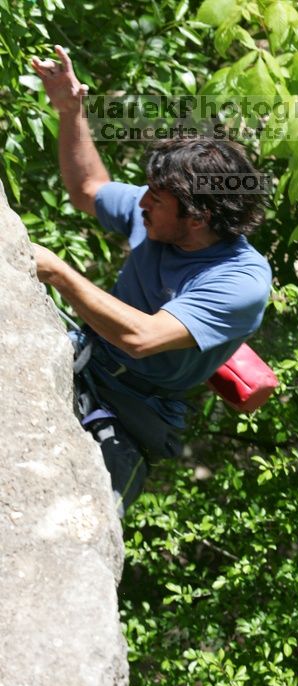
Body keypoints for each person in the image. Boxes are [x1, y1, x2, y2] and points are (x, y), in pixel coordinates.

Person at [31, 46, 272, 516]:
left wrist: (59, 272)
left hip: (132, 410)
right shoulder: (161, 211)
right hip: (90, 357)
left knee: (88, 519)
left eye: (155, 201)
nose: (142, 204)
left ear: (199, 217)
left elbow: (142, 337)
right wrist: (69, 110)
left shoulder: (240, 280)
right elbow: (87, 190)